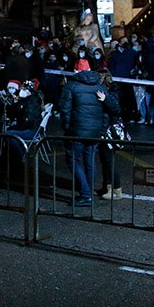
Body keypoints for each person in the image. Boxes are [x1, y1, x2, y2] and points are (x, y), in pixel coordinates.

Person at [58, 66, 119, 206]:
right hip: (94, 132)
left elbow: (65, 109)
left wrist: (67, 128)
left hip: (76, 131)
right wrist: (101, 129)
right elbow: (106, 112)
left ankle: (85, 193)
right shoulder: (99, 86)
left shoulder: (71, 86)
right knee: (89, 161)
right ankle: (88, 190)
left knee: (73, 160)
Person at [96, 70, 124, 200]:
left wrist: (105, 99)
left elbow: (116, 108)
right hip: (103, 129)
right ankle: (107, 187)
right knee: (105, 160)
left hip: (109, 131)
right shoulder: (106, 90)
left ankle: (117, 190)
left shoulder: (112, 91)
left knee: (110, 160)